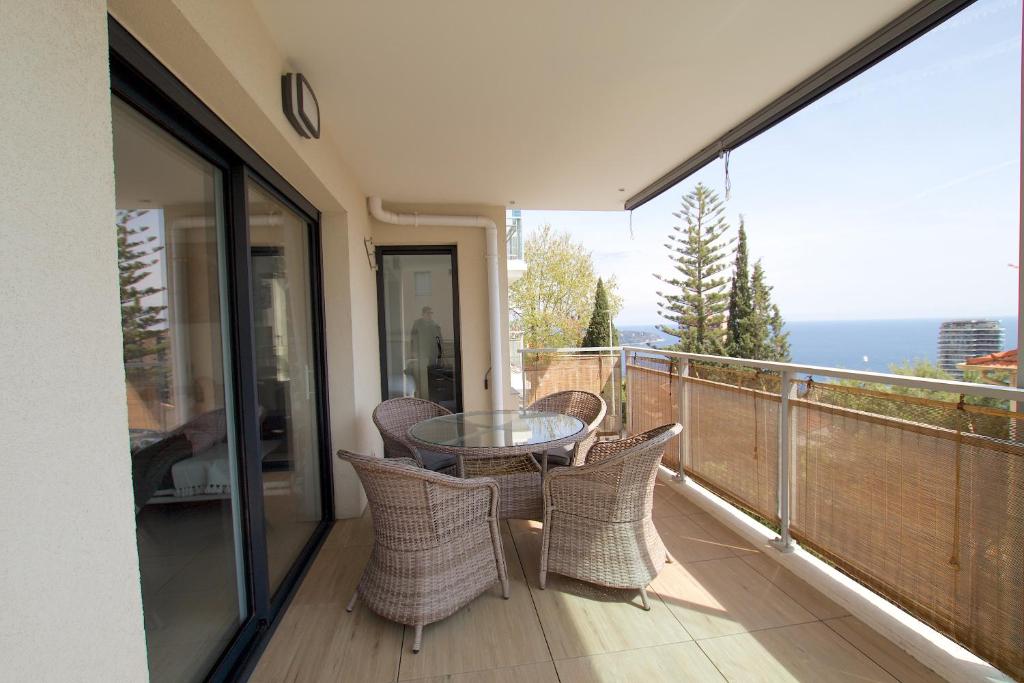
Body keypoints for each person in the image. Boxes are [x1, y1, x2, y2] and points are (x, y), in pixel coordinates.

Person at [409, 306, 442, 399]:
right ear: (423, 314)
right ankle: (420, 394)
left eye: (431, 313)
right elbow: (413, 339)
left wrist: (440, 353)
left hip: (432, 353)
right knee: (421, 374)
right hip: (421, 352)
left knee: (431, 374)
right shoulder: (417, 324)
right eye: (428, 313)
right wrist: (413, 351)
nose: (430, 315)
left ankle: (431, 395)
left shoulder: (434, 325)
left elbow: (439, 339)